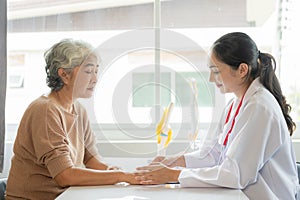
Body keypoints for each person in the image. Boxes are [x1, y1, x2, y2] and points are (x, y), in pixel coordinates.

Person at [135, 32, 300, 199]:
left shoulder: (259, 107)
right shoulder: (235, 104)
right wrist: (172, 161)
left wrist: (173, 175)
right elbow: (213, 154)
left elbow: (236, 174)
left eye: (215, 71)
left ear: (242, 70)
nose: (211, 79)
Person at [6, 39, 138, 200]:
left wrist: (109, 169)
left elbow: (90, 158)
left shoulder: (78, 110)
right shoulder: (45, 110)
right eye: (89, 71)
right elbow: (65, 175)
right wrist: (120, 176)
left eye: (96, 71)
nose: (95, 79)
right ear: (64, 75)